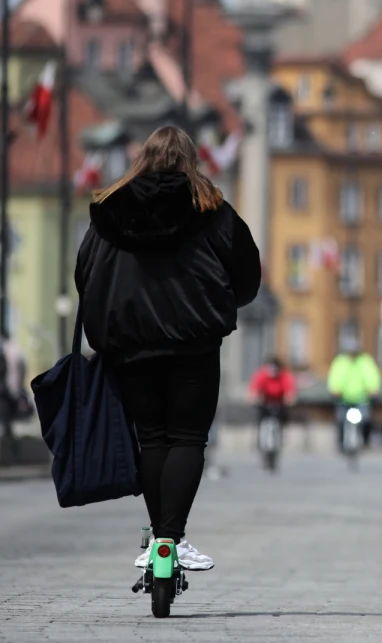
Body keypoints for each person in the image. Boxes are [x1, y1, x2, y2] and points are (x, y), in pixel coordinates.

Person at [74, 125, 261, 572]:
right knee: (188, 437)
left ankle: (159, 542)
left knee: (153, 437)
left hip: (130, 343)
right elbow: (248, 275)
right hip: (193, 342)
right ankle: (170, 540)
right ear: (191, 160)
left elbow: (85, 273)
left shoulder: (108, 210)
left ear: (143, 158)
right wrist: (219, 302)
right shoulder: (212, 209)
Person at [327, 344, 381, 451]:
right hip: (344, 397)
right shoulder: (341, 362)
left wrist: (373, 389)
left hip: (361, 397)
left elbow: (371, 376)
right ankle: (341, 442)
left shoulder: (365, 362)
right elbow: (336, 376)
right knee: (341, 419)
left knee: (365, 419)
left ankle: (366, 440)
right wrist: (335, 389)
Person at [248, 356, 296, 426]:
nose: (273, 370)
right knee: (261, 421)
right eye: (270, 367)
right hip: (265, 403)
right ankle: (260, 435)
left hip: (280, 404)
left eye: (275, 368)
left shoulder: (285, 375)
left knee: (282, 420)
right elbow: (255, 389)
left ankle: (280, 433)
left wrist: (289, 399)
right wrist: (254, 398)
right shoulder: (262, 375)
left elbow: (290, 391)